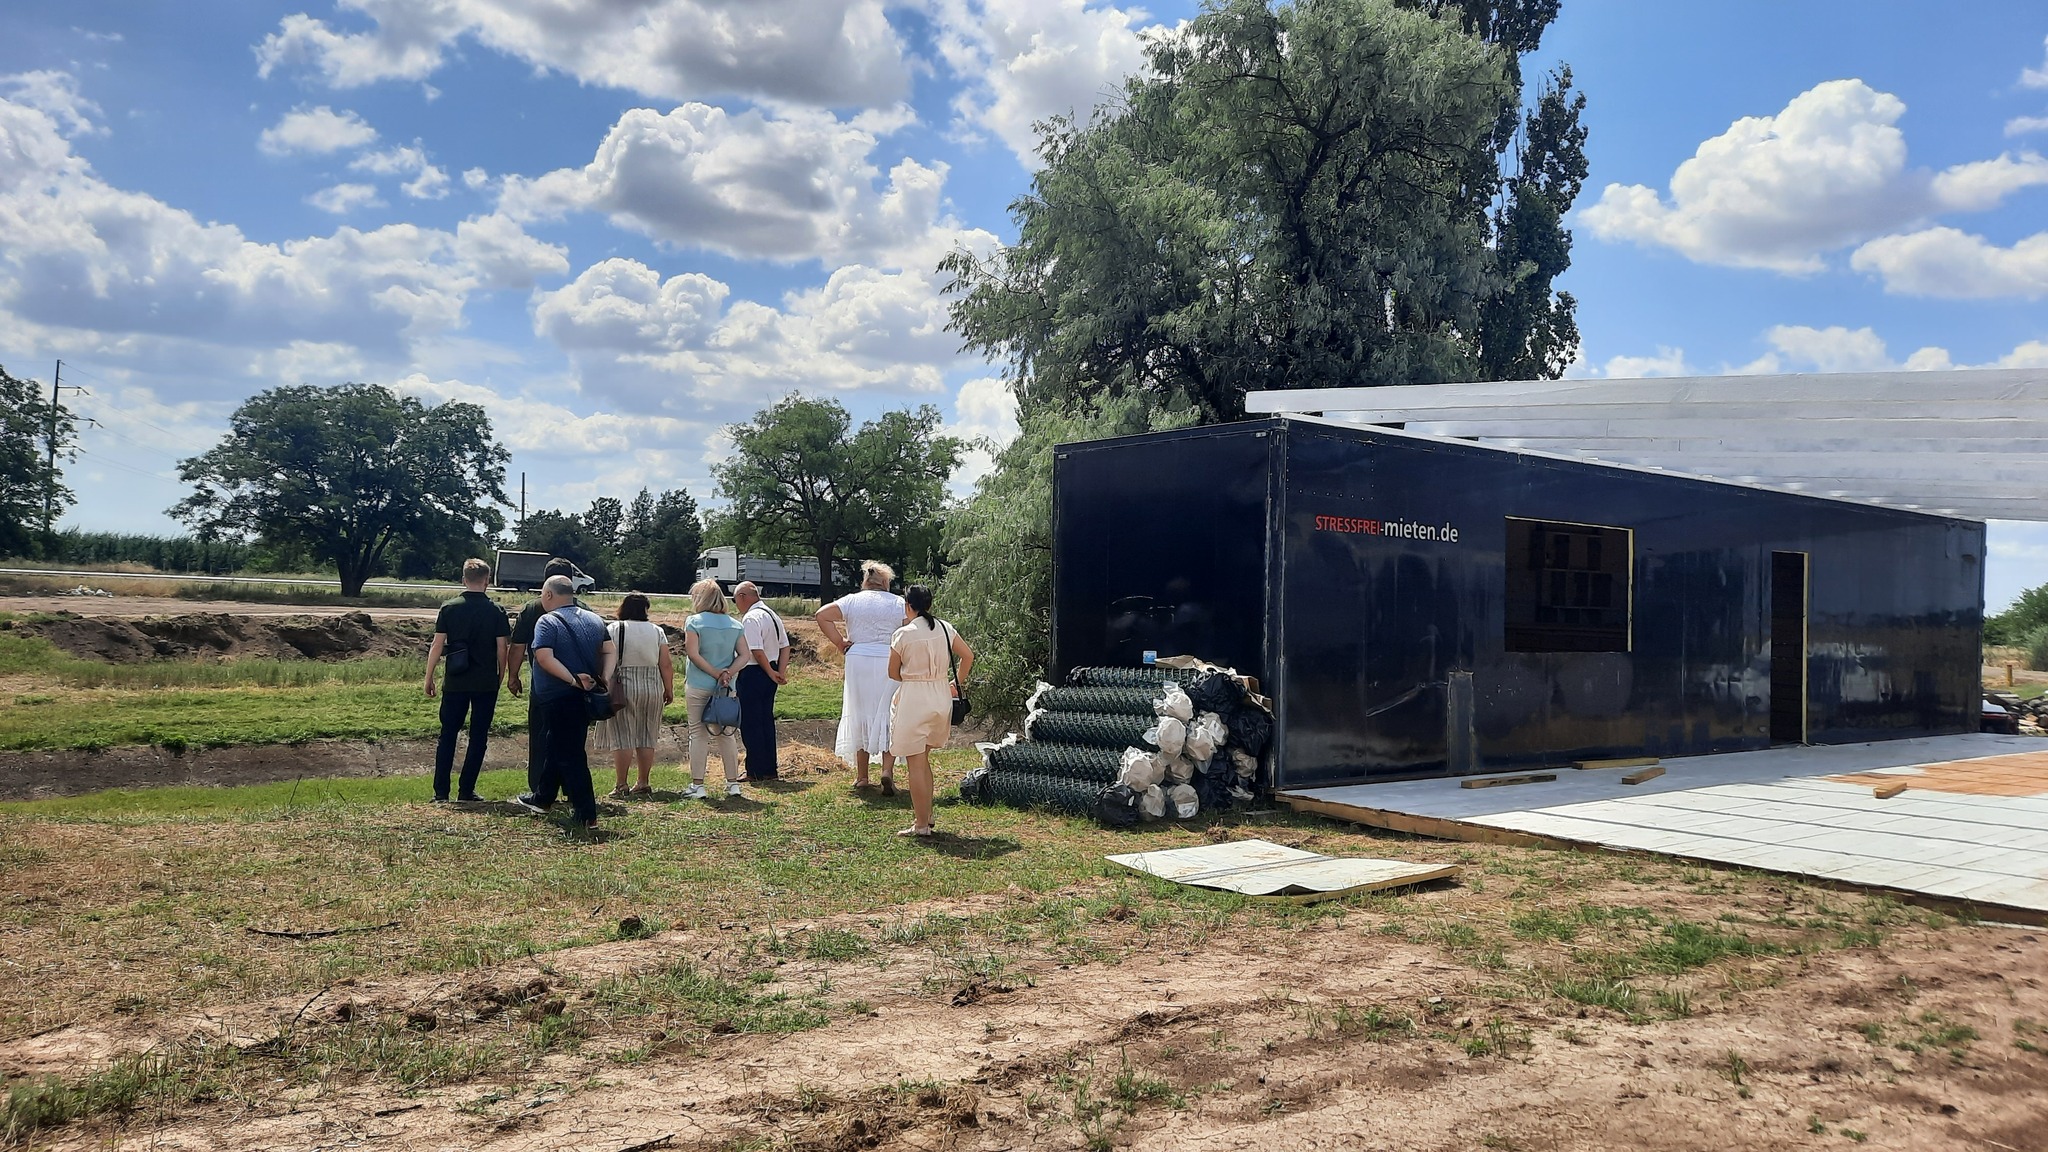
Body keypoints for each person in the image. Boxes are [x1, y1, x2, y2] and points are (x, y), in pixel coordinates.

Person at [513, 575, 615, 831]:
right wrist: (604, 677)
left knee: (570, 754)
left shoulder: (547, 622)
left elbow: (544, 658)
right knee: (556, 744)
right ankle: (542, 798)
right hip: (585, 697)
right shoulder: (594, 619)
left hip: (557, 696)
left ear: (548, 595)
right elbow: (610, 650)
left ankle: (586, 814)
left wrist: (572, 680)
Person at [887, 584, 973, 837]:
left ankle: (921, 824)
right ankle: (927, 815)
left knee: (915, 762)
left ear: (908, 606)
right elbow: (968, 656)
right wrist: (955, 685)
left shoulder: (903, 634)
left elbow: (893, 672)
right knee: (923, 759)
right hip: (940, 695)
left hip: (915, 696)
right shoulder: (945, 628)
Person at [423, 558, 511, 802]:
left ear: (463, 580)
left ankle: (441, 792)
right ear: (487, 581)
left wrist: (429, 676)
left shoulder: (449, 608)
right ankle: (466, 790)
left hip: (455, 681)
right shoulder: (496, 610)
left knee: (448, 735)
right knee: (478, 736)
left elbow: (437, 645)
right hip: (485, 682)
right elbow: (502, 647)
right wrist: (501, 674)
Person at [816, 561, 907, 792]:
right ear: (886, 582)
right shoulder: (898, 603)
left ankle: (862, 776)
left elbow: (822, 615)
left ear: (865, 581)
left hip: (858, 658)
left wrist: (839, 642)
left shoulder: (852, 600)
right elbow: (910, 626)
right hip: (889, 657)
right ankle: (887, 771)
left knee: (859, 711)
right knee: (889, 712)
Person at [505, 557, 580, 800]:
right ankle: (572, 788)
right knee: (573, 737)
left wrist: (513, 675)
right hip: (576, 683)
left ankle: (539, 788)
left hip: (543, 684)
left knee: (540, 736)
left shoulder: (531, 609)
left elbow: (517, 646)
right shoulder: (583, 609)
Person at [595, 592, 674, 797]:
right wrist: (669, 688)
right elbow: (665, 664)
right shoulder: (657, 631)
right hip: (652, 685)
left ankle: (621, 784)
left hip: (623, 685)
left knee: (623, 735)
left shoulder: (614, 629)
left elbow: (603, 656)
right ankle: (643, 782)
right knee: (647, 735)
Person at [682, 579, 750, 799]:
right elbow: (744, 655)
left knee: (697, 734)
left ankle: (698, 785)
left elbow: (693, 653)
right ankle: (732, 783)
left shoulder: (694, 622)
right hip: (726, 688)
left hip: (699, 684)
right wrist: (727, 673)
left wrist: (714, 673)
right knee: (726, 734)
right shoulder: (735, 624)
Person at [733, 581, 791, 781]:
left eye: (735, 600)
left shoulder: (751, 617)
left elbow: (756, 651)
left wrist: (768, 671)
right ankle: (769, 769)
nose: (736, 605)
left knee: (751, 722)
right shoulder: (772, 615)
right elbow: (785, 646)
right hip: (772, 669)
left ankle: (755, 770)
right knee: (766, 720)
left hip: (754, 672)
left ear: (742, 596)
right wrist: (779, 672)